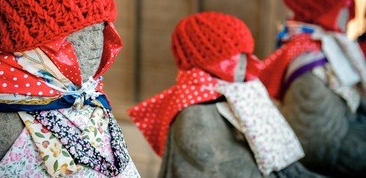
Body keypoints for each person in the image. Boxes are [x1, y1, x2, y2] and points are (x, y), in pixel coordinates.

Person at [0, 0, 139, 177]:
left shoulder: (89, 96)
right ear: (32, 47)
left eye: (100, 31)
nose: (93, 46)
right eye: (74, 36)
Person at [128, 11, 321, 178]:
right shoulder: (195, 113)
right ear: (208, 60)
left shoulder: (233, 94)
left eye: (248, 54)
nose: (248, 62)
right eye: (238, 55)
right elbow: (229, 168)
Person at [260, 0, 366, 176]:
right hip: (329, 145)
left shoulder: (329, 46)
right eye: (343, 9)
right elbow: (318, 138)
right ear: (321, 10)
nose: (348, 17)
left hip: (345, 128)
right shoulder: (307, 59)